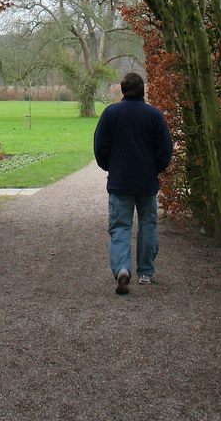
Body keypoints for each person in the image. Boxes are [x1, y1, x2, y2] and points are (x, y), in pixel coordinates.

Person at [93, 72, 173, 295]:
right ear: (142, 90)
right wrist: (154, 168)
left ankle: (121, 269)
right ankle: (146, 272)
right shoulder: (154, 115)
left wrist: (111, 167)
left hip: (120, 181)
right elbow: (165, 150)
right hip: (146, 181)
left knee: (120, 227)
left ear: (122, 89)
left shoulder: (111, 113)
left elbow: (100, 147)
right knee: (148, 225)